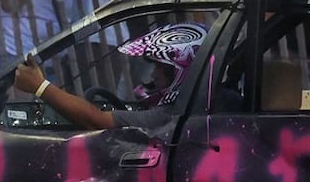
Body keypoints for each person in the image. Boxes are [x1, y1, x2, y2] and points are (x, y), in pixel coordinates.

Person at [12, 22, 206, 131]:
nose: (154, 73)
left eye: (160, 67)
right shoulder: (205, 104)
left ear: (180, 70)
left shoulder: (169, 116)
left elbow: (96, 120)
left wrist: (40, 86)